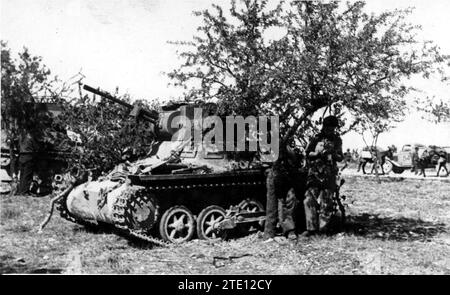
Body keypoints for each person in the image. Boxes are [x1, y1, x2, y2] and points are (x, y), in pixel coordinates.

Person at [302, 116, 343, 237]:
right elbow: (307, 153)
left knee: (327, 201)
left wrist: (333, 153)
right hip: (314, 174)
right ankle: (311, 228)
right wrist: (317, 153)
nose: (330, 130)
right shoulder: (316, 138)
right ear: (324, 127)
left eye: (332, 128)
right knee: (309, 200)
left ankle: (323, 229)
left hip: (329, 174)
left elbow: (340, 157)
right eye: (328, 128)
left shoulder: (337, 140)